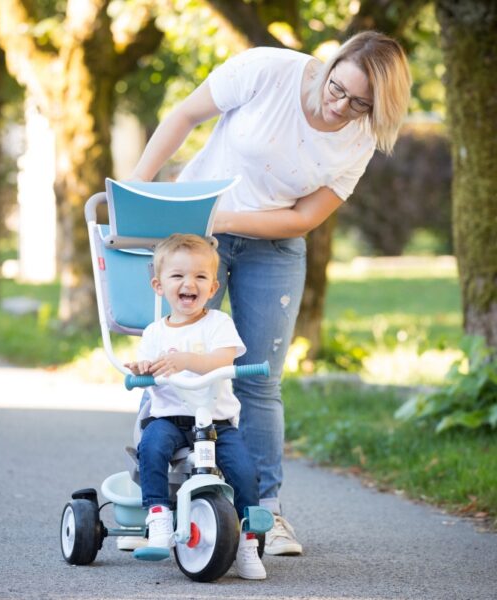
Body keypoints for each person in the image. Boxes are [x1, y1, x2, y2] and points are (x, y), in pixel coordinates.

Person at [129, 31, 412, 556]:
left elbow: (303, 217)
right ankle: (158, 502)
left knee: (258, 379)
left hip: (273, 245)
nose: (340, 107)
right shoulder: (266, 70)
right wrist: (138, 191)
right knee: (171, 359)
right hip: (197, 235)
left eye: (360, 104)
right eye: (338, 89)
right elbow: (185, 115)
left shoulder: (360, 138)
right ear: (332, 63)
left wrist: (226, 219)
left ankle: (266, 512)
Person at [125, 233, 267, 580]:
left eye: (200, 276)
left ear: (213, 287)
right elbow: (147, 366)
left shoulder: (218, 323)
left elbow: (224, 358)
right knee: (151, 447)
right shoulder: (155, 333)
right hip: (170, 418)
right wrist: (142, 368)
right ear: (159, 286)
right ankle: (158, 515)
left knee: (244, 471)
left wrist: (187, 360)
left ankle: (247, 541)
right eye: (178, 276)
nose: (189, 283)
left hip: (216, 422)